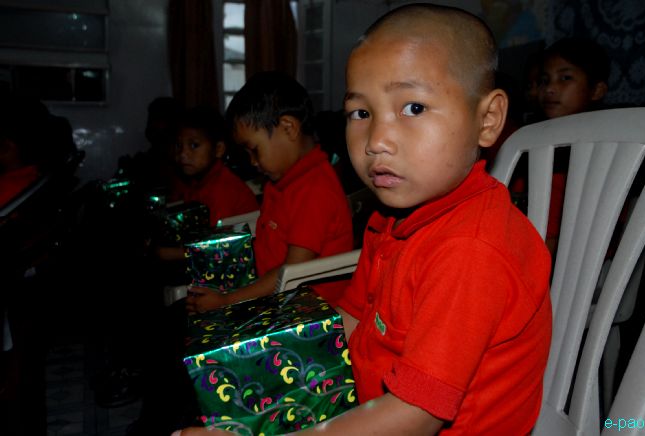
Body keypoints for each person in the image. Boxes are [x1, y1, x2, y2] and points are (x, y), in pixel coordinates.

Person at [174, 3, 552, 435]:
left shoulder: (471, 251)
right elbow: (351, 319)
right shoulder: (391, 217)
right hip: (370, 404)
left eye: (413, 108)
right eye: (361, 113)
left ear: (488, 120)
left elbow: (416, 415)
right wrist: (276, 382)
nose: (376, 140)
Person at [185, 71, 354, 313]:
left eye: (254, 150)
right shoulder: (285, 179)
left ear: (288, 128)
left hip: (306, 311)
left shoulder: (315, 190)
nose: (253, 162)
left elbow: (292, 272)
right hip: (279, 295)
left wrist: (228, 300)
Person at [152, 105, 260, 264]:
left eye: (194, 145)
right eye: (178, 146)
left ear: (218, 149)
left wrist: (170, 254)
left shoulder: (223, 188)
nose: (183, 154)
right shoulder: (195, 181)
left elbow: (215, 247)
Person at [537, 36, 611, 257]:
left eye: (565, 78)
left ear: (597, 90)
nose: (550, 88)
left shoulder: (607, 147)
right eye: (544, 80)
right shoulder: (534, 142)